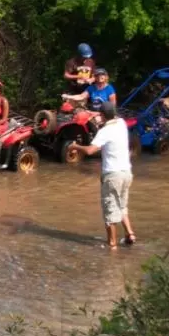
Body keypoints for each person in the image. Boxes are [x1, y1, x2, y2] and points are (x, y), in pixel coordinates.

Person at [70, 101, 136, 249]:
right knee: (121, 205)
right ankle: (130, 234)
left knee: (110, 211)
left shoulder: (104, 132)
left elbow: (90, 151)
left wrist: (75, 146)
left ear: (103, 115)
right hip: (126, 173)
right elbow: (108, 117)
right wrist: (95, 114)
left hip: (113, 175)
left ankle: (112, 245)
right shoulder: (121, 123)